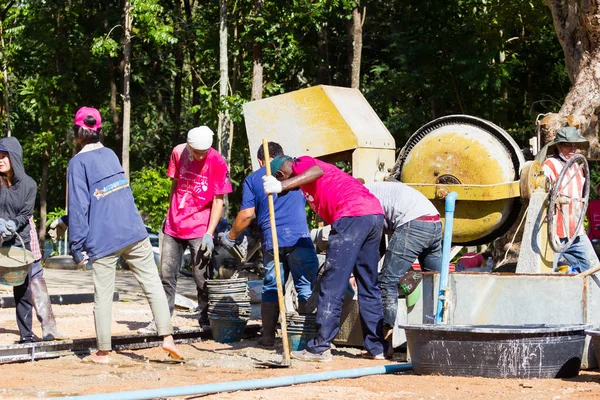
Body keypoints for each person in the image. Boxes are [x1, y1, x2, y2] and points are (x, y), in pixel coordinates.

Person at [67, 106, 181, 363]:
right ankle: (167, 338)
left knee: (103, 295)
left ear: (76, 133)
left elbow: (79, 205)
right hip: (133, 230)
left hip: (103, 238)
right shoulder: (110, 154)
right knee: (153, 285)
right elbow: (108, 194)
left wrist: (77, 245)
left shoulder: (77, 163)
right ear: (100, 131)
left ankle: (104, 352)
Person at [264, 155, 386, 361]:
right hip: (373, 215)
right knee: (368, 283)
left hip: (352, 215)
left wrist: (281, 186)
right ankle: (377, 348)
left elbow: (315, 171)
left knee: (333, 284)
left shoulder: (301, 162)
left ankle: (320, 347)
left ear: (281, 173)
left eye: (282, 179)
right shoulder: (313, 184)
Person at [220, 142, 318, 348]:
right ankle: (305, 339)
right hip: (300, 238)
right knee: (305, 288)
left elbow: (247, 215)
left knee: (272, 287)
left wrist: (230, 236)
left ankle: (267, 338)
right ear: (282, 157)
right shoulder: (297, 171)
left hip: (273, 241)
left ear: (260, 161)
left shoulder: (254, 179)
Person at [140, 125, 232, 333]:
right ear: (188, 146)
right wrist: (168, 214)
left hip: (200, 227)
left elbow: (218, 201)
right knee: (166, 275)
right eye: (196, 152)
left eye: (203, 152)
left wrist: (210, 232)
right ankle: (161, 322)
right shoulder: (178, 152)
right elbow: (175, 184)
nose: (200, 156)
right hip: (174, 225)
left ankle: (206, 319)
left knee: (202, 278)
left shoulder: (216, 161)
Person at [364, 181, 442, 356]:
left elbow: (371, 238)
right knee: (435, 281)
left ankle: (383, 345)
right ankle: (439, 339)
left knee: (387, 282)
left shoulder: (359, 199)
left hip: (413, 224)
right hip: (435, 222)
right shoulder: (375, 190)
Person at [541, 126, 599, 272]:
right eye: (568, 145)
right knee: (546, 273)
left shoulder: (578, 168)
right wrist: (554, 199)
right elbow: (539, 194)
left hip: (576, 231)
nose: (573, 149)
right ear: (559, 146)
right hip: (553, 232)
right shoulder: (549, 165)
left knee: (594, 268)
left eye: (575, 145)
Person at [0, 137, 38, 343]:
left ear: (14, 157)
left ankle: (27, 336)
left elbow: (25, 214)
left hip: (17, 242)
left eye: (4, 156)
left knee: (22, 291)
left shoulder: (29, 185)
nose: (0, 160)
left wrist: (13, 223)